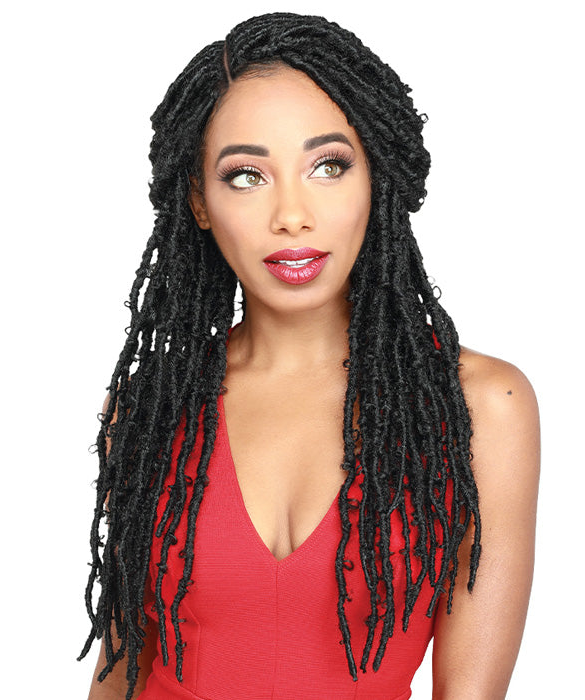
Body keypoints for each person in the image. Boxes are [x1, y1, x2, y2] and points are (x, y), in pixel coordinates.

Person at [79, 11, 540, 700]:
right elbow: (121, 669)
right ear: (200, 203)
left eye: (328, 166)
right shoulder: (150, 405)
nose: (291, 215)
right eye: (246, 176)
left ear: (375, 177)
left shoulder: (481, 407)